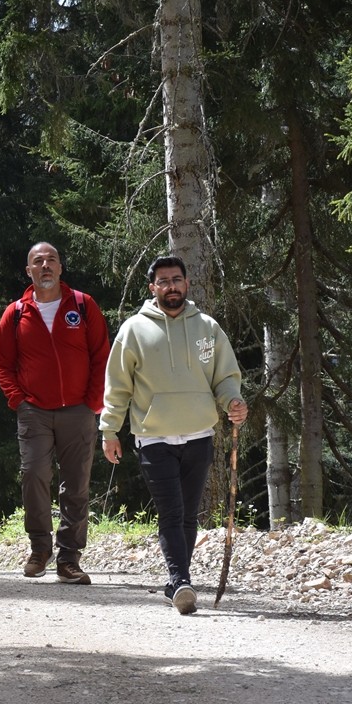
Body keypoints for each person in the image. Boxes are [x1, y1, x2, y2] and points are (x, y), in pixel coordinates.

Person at [99, 255, 248, 615]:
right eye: (163, 281)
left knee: (187, 514)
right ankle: (181, 580)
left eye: (176, 279)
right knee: (171, 511)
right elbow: (118, 386)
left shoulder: (208, 328)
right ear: (152, 288)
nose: (171, 286)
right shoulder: (134, 329)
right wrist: (109, 430)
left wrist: (233, 401)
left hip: (199, 433)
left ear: (187, 284)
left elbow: (225, 377)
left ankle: (177, 580)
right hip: (154, 437)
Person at [0, 241, 110, 584]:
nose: (45, 265)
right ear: (28, 270)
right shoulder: (15, 312)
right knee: (34, 475)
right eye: (37, 261)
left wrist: (93, 402)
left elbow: (101, 355)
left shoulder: (83, 305)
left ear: (60, 268)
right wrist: (19, 401)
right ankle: (40, 549)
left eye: (51, 260)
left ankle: (69, 558)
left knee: (77, 484)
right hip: (35, 412)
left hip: (79, 409)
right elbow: (3, 363)